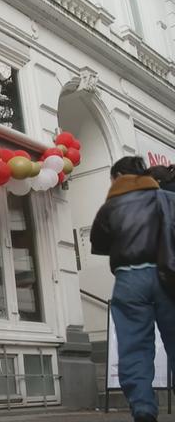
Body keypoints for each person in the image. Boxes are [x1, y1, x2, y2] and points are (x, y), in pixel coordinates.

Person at [91, 156, 175, 422]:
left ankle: (143, 408)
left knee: (134, 346)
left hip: (129, 279)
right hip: (167, 276)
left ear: (117, 177)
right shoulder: (166, 199)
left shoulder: (110, 206)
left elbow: (99, 242)